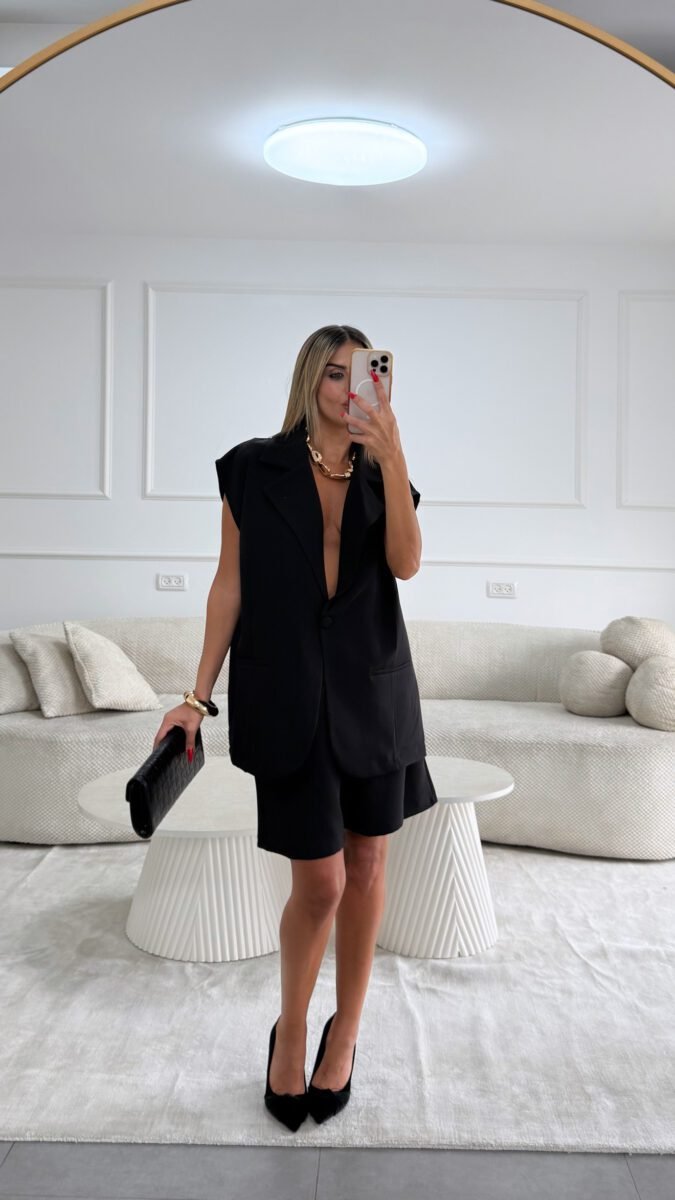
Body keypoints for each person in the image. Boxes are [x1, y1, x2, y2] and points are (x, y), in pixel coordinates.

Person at [153, 324, 438, 1131]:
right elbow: (230, 586)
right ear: (310, 381)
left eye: (365, 375)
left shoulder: (384, 473)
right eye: (335, 375)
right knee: (318, 883)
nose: (350, 390)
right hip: (285, 699)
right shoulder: (253, 468)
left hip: (374, 699)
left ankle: (344, 1033)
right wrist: (195, 695)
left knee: (368, 866)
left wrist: (393, 455)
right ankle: (291, 1027)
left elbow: (406, 563)